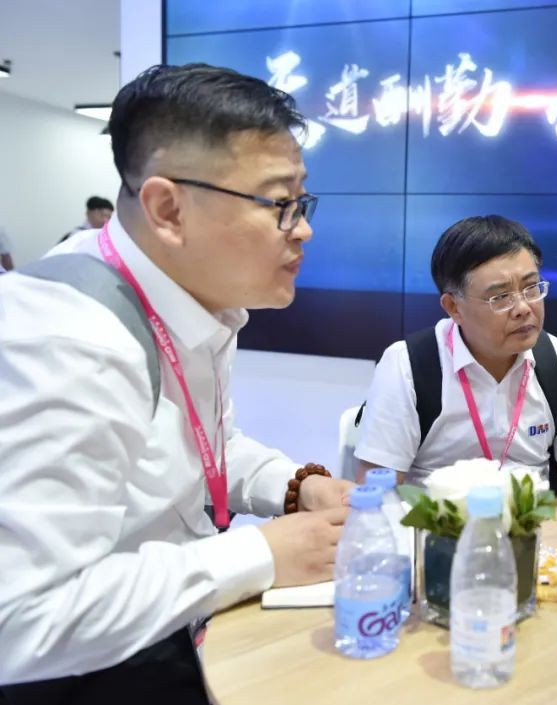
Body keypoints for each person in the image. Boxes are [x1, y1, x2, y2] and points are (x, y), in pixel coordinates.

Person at [0, 63, 354, 701]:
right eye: (280, 204)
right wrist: (262, 555)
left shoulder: (192, 295)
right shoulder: (71, 340)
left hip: (167, 626)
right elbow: (22, 618)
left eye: (302, 202)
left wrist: (294, 487)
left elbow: (198, 443)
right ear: (168, 208)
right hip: (81, 672)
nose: (303, 228)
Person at [354, 215, 557, 513]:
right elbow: (378, 487)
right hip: (438, 533)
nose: (523, 308)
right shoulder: (407, 366)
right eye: (501, 297)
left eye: (531, 288)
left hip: (535, 532)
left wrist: (553, 539)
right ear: (453, 307)